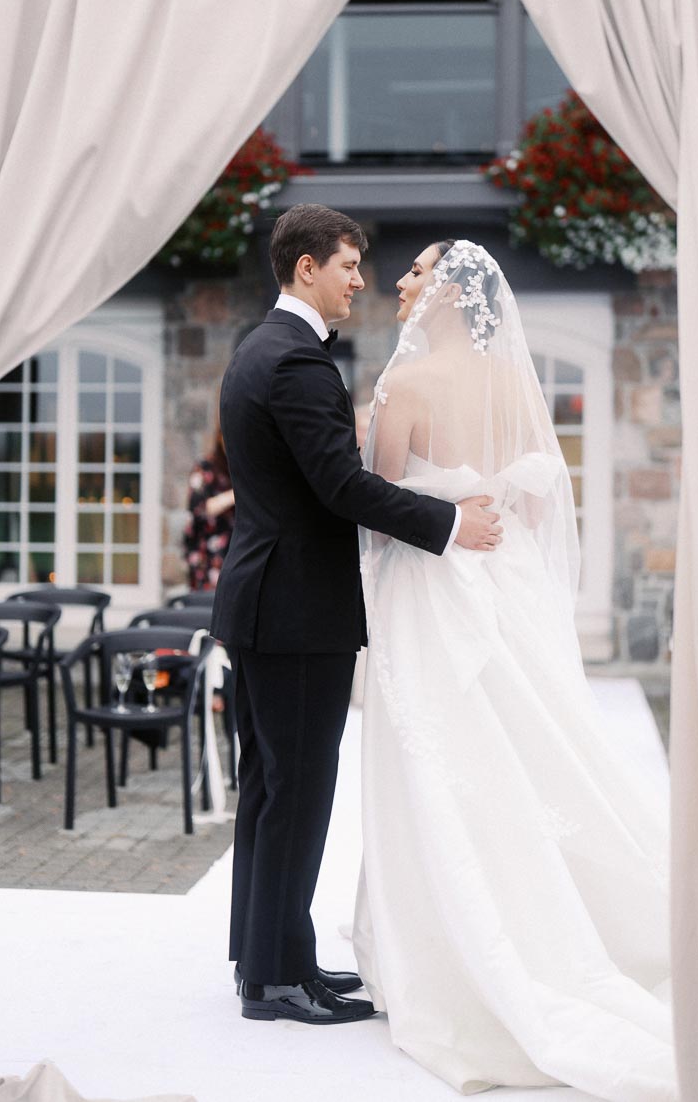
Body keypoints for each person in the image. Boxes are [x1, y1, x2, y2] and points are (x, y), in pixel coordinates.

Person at [353, 239, 677, 1100]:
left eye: (417, 272)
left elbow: (381, 514)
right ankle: (576, 922)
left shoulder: (404, 386)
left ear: (450, 294)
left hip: (431, 594)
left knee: (434, 760)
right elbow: (532, 505)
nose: (400, 281)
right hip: (507, 582)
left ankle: (442, 949)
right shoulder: (512, 383)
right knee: (531, 745)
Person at [211, 205, 502, 1028]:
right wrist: (449, 524)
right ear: (307, 269)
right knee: (296, 795)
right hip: (298, 611)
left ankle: (270, 960)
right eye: (345, 265)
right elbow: (341, 488)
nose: (358, 281)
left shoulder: (259, 349)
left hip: (268, 601)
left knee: (271, 790)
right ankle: (277, 983)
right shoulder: (298, 362)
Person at [182, 412, 235, 590]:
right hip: (206, 557)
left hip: (233, 555)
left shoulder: (240, 468)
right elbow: (200, 507)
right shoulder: (205, 468)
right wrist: (234, 495)